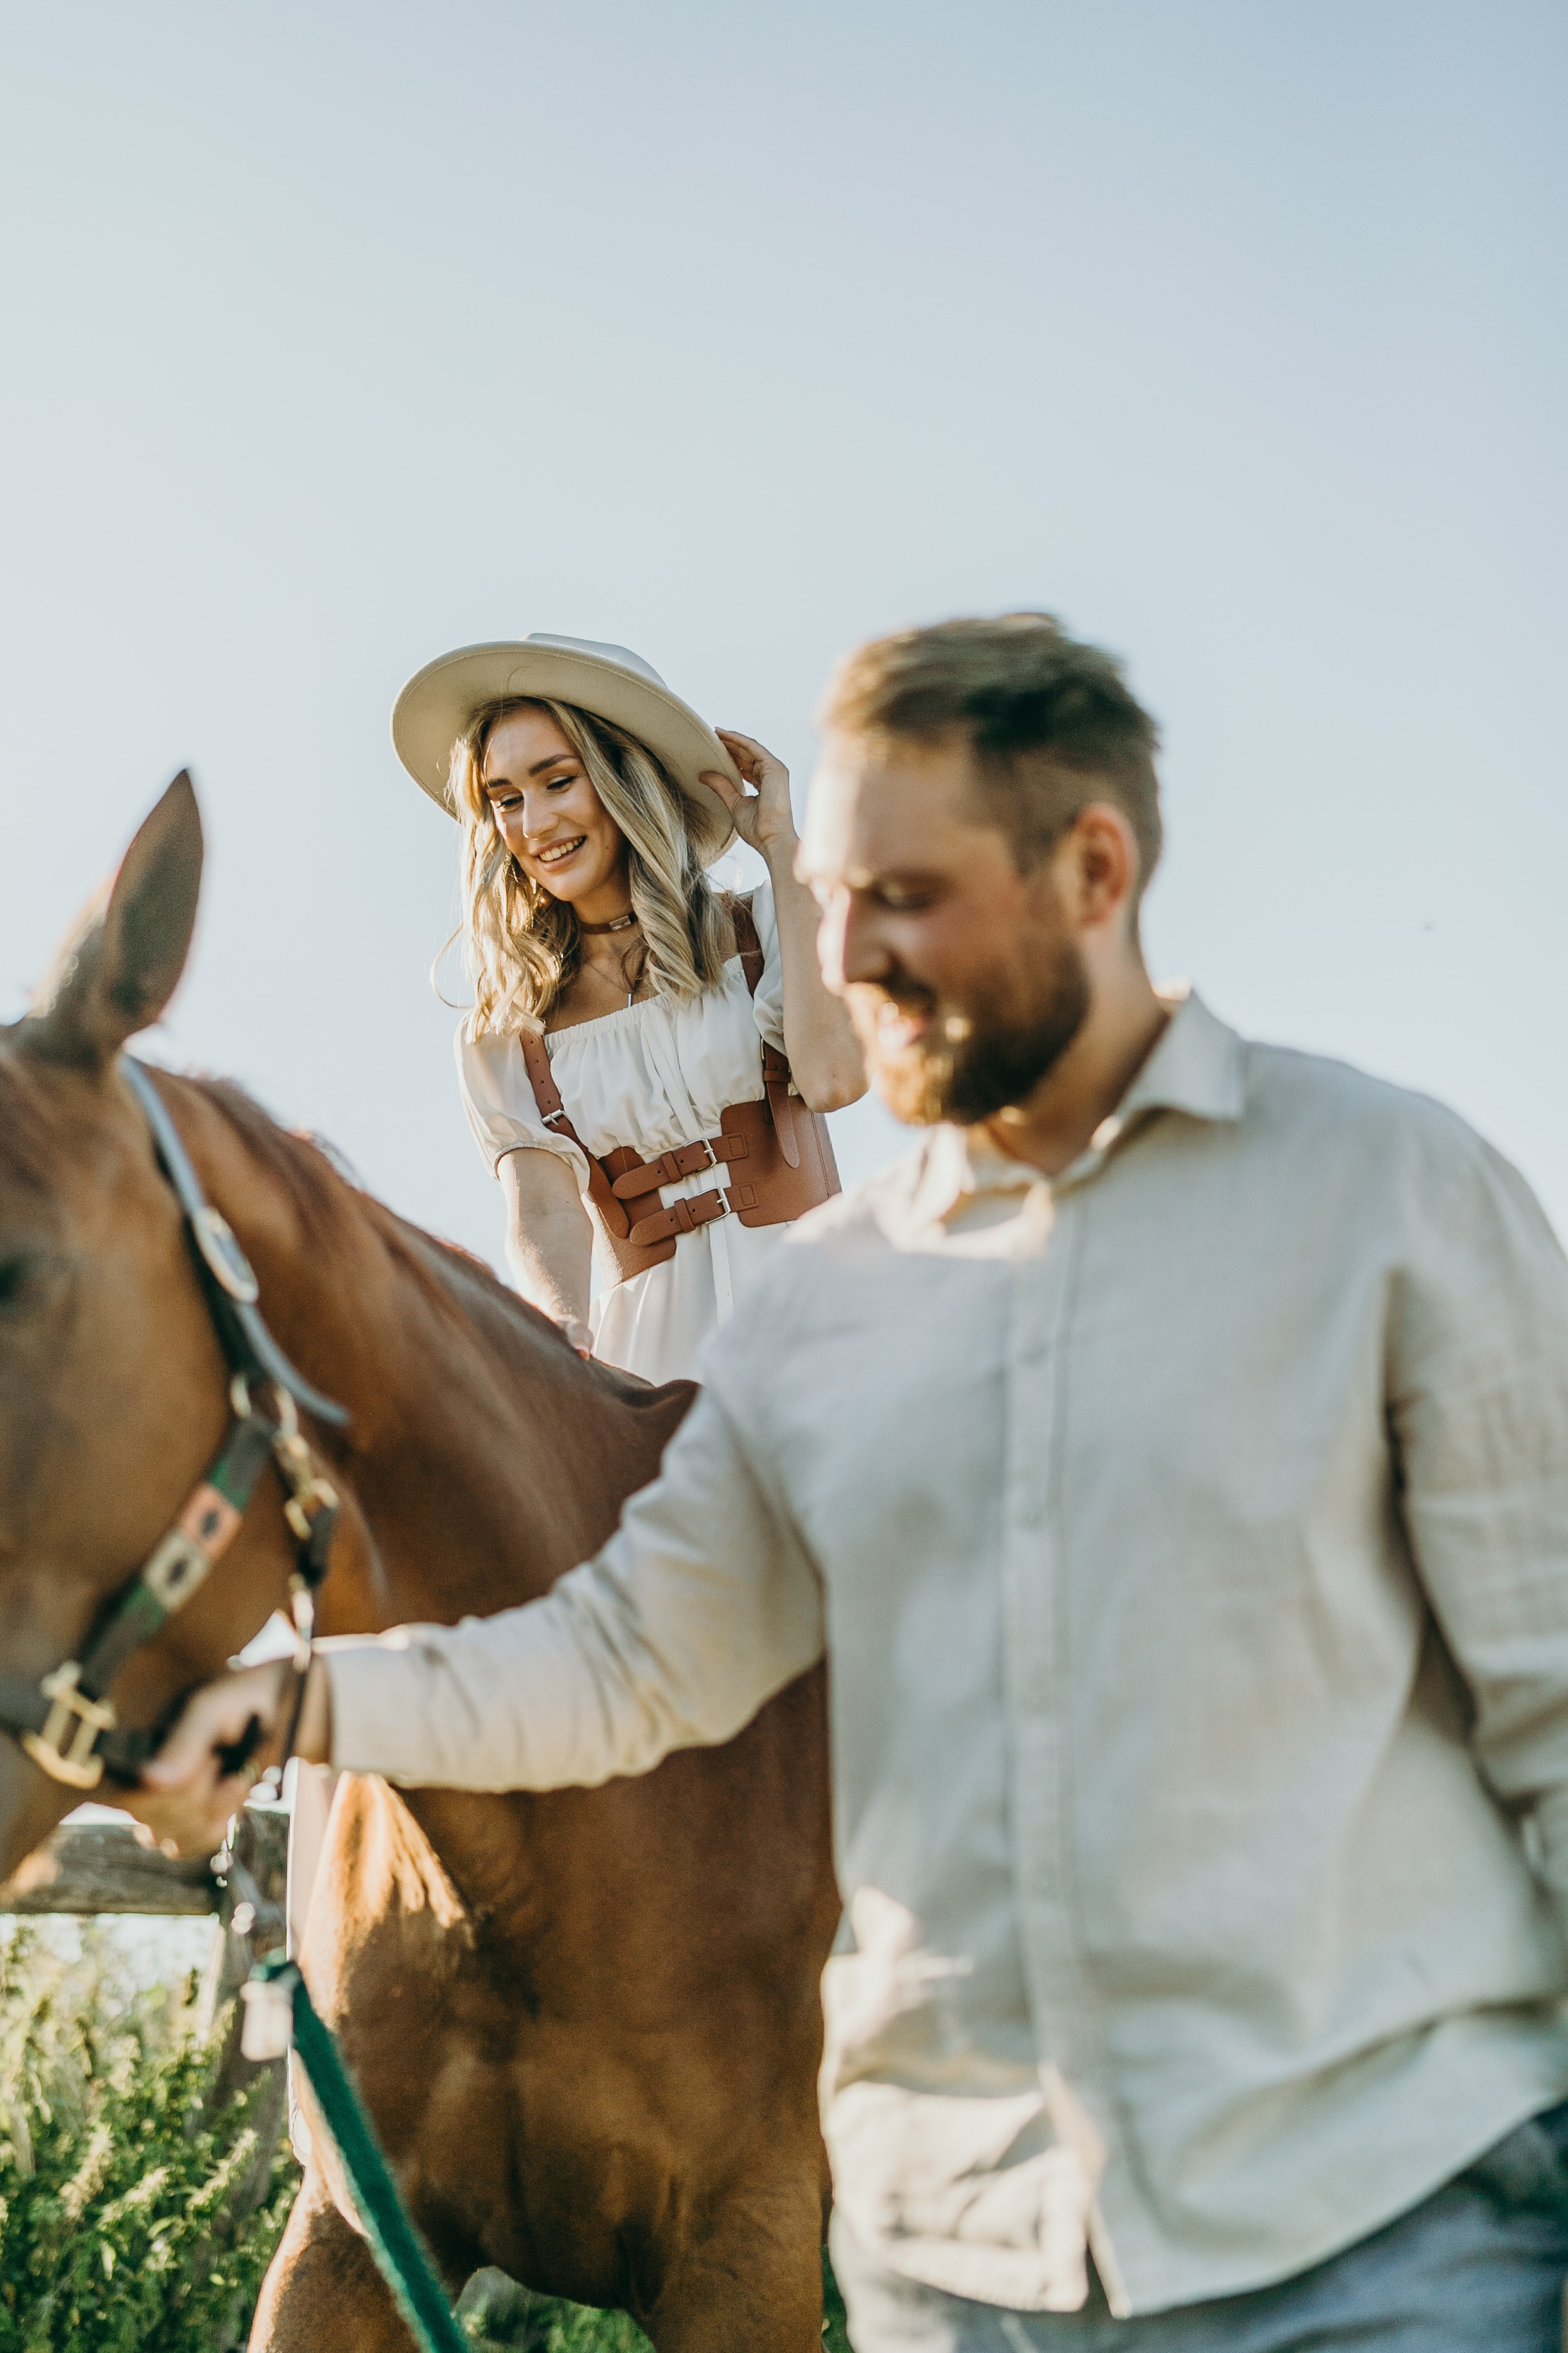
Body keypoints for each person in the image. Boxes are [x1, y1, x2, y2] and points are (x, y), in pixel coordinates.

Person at [142, 613, 1568, 2351]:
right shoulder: (842, 1313)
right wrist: (301, 1697)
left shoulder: (1385, 1188)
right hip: (968, 2265)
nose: (850, 947)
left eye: (897, 892)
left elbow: (1547, 1702)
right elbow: (628, 1661)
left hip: (1384, 2235)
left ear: (1091, 869)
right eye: (833, 892)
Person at [395, 631, 865, 1379]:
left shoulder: (767, 925)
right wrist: (561, 1328)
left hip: (827, 1334)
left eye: (557, 781)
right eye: (506, 799)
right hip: (653, 1368)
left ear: (625, 781)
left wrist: (781, 846)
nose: (532, 824)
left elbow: (834, 1078)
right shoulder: (506, 1035)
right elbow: (543, 1210)